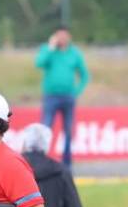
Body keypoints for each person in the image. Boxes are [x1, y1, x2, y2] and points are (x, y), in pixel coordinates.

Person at [34, 27, 89, 167]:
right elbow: (39, 63)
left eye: (64, 35)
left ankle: (67, 163)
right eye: (59, 35)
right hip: (51, 96)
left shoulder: (74, 53)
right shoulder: (49, 50)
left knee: (68, 130)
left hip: (68, 97)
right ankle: (41, 160)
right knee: (45, 128)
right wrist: (50, 47)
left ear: (69, 37)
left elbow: (84, 75)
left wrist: (76, 91)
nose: (62, 38)